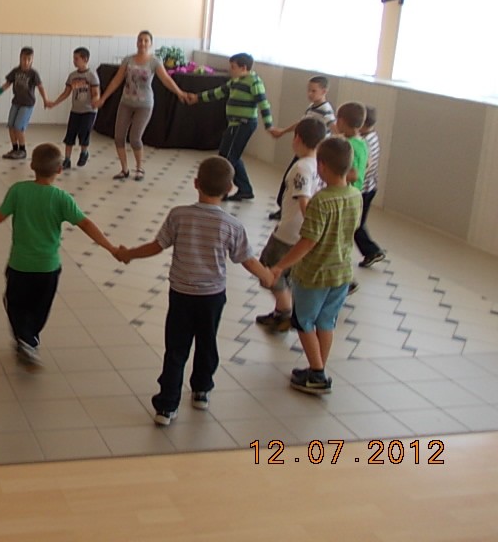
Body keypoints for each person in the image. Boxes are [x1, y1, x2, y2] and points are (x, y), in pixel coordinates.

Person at [115, 156, 273, 425]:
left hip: (180, 294)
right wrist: (267, 276)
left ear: (196, 183)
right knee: (207, 342)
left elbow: (157, 246)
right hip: (212, 297)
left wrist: (129, 253)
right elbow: (246, 259)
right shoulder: (232, 225)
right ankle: (201, 389)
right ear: (230, 188)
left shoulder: (179, 215)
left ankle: (167, 406)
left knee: (176, 349)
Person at [0, 143, 116, 369]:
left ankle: (26, 339)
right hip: (48, 268)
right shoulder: (62, 198)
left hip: (20, 266)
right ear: (59, 169)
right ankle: (30, 339)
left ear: (32, 165)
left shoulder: (18, 191)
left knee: (14, 303)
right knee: (40, 307)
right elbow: (86, 224)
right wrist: (112, 248)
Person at [269, 137, 362, 395]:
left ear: (321, 166)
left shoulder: (321, 200)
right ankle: (317, 367)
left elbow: (308, 241)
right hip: (342, 272)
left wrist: (280, 266)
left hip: (314, 274)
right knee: (326, 321)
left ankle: (318, 373)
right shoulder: (356, 195)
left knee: (304, 321)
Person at [254, 118, 327, 332]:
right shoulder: (319, 165)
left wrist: (311, 227)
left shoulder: (301, 167)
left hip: (289, 233)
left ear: (297, 139)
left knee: (269, 269)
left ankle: (285, 311)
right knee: (288, 272)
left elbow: (304, 200)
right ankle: (284, 309)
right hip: (302, 234)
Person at [96, 30, 188, 181]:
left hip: (144, 104)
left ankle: (139, 168)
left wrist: (179, 92)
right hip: (126, 102)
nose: (142, 43)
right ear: (136, 42)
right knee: (119, 137)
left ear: (150, 44)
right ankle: (124, 169)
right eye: (140, 40)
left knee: (135, 138)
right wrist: (103, 98)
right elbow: (117, 80)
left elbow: (166, 79)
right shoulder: (128, 60)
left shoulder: (154, 61)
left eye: (146, 40)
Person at [185, 52, 273, 201]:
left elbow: (263, 104)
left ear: (243, 68)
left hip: (243, 124)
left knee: (227, 158)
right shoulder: (235, 81)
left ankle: (220, 190)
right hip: (234, 124)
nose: (230, 70)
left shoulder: (254, 82)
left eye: (233, 67)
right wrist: (197, 98)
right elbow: (218, 92)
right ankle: (245, 189)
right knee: (231, 155)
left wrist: (269, 125)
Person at [268, 75, 335, 220]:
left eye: (314, 91)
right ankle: (284, 207)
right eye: (309, 90)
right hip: (304, 148)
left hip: (312, 151)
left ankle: (296, 210)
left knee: (300, 177)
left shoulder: (326, 110)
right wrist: (283, 131)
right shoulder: (312, 106)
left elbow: (334, 127)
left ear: (324, 91)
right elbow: (301, 123)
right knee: (290, 177)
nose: (310, 94)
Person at [0, 46, 48, 160]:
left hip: (27, 104)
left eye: (29, 59)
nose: (26, 62)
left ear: (32, 60)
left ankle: (22, 150)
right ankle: (15, 149)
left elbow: (40, 87)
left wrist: (45, 100)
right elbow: (6, 85)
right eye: (24, 59)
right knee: (11, 125)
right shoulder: (15, 71)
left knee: (18, 127)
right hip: (16, 102)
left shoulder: (33, 73)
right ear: (20, 58)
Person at [332, 102, 367, 294]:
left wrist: (337, 174)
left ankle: (347, 280)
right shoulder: (361, 143)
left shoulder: (350, 146)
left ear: (343, 121)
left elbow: (354, 174)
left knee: (338, 240)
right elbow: (365, 165)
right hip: (354, 197)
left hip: (346, 199)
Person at [46, 47, 101, 169]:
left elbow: (96, 93)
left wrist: (95, 101)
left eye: (77, 59)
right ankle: (67, 159)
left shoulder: (92, 76)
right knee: (70, 134)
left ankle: (84, 152)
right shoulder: (72, 76)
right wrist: (54, 103)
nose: (74, 61)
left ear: (85, 59)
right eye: (73, 58)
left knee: (84, 132)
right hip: (76, 110)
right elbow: (66, 92)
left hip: (89, 111)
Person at [355, 105, 387, 269]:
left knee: (356, 224)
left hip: (363, 190)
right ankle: (371, 251)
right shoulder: (373, 136)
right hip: (370, 188)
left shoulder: (364, 142)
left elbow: (364, 167)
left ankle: (372, 251)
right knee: (358, 223)